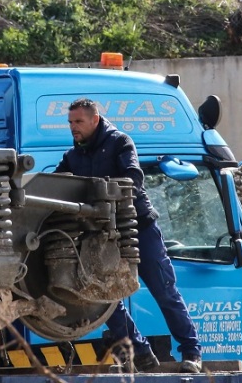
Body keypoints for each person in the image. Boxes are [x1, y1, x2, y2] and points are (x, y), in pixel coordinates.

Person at [56, 98, 202, 374]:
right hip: (101, 237)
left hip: (139, 228)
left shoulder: (120, 142)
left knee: (164, 291)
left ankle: (191, 352)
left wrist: (109, 197)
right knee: (106, 301)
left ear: (94, 120)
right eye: (70, 123)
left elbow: (133, 176)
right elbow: (55, 185)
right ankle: (141, 353)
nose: (73, 128)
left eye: (78, 122)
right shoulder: (72, 156)